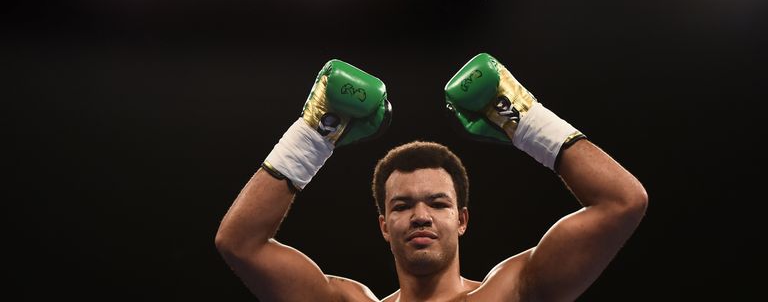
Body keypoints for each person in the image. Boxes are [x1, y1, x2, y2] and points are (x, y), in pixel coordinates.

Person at [215, 54, 648, 302]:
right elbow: (239, 243)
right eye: (402, 205)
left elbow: (622, 202)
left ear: (461, 219)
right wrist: (313, 134)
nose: (420, 215)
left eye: (437, 203)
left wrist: (525, 121)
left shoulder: (513, 293)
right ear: (385, 225)